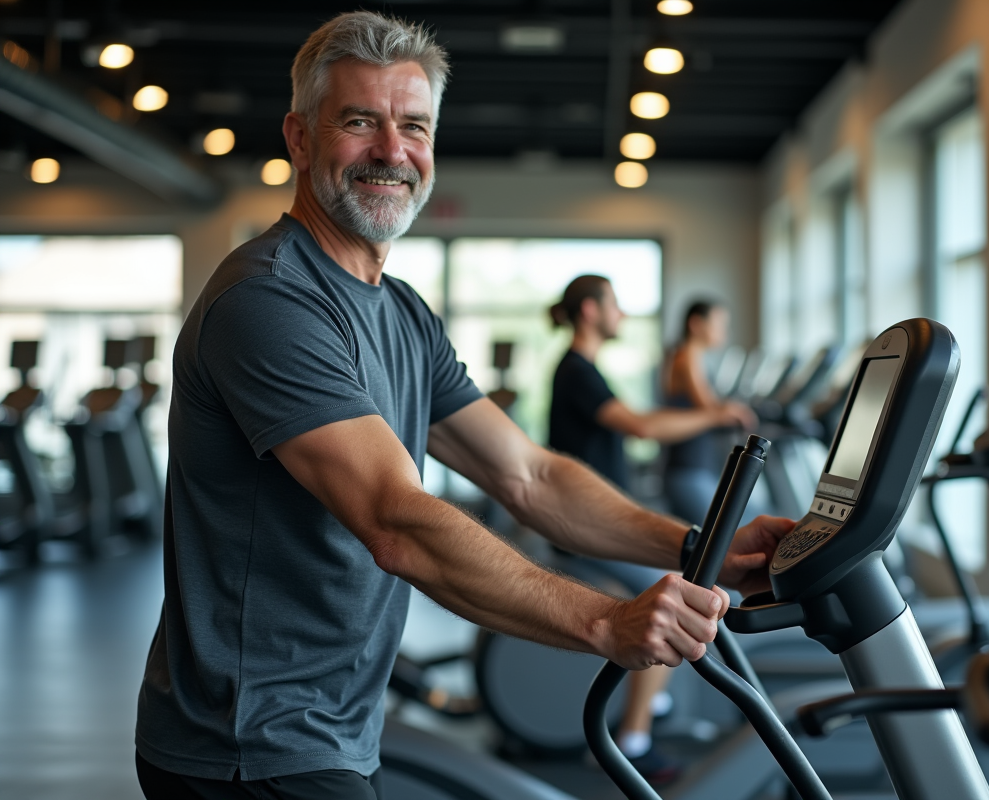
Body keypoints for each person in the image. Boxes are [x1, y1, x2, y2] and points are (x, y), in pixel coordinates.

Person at [133, 12, 794, 800]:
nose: (391, 151)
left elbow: (530, 477)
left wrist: (698, 549)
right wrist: (605, 623)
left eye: (414, 126)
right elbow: (396, 521)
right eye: (358, 122)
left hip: (330, 725)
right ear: (301, 140)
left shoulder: (401, 311)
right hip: (253, 743)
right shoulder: (270, 302)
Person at [547, 276, 757, 784]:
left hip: (596, 521)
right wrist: (714, 416)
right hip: (581, 529)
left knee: (680, 574)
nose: (622, 315)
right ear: (592, 311)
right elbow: (640, 426)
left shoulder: (584, 369)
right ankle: (631, 743)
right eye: (616, 305)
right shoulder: (577, 371)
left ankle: (650, 700)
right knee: (673, 600)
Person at [663, 300, 746, 526]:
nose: (724, 332)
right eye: (719, 325)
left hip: (693, 465)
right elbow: (708, 407)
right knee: (713, 539)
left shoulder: (689, 355)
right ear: (696, 324)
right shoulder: (687, 354)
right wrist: (737, 410)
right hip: (687, 467)